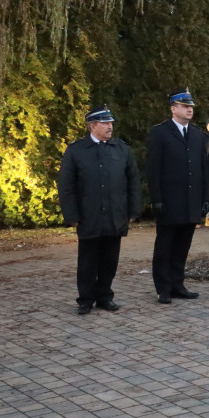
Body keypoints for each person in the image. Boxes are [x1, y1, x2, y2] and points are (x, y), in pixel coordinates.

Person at [58, 106, 141, 315]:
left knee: (110, 260)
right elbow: (66, 185)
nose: (110, 126)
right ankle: (86, 299)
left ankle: (105, 296)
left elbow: (133, 182)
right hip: (89, 215)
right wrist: (72, 215)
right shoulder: (76, 150)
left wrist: (133, 211)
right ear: (92, 126)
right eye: (105, 123)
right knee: (87, 261)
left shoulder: (121, 149)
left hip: (115, 214)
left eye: (111, 122)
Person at [146, 89, 207, 304]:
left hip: (191, 200)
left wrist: (205, 198)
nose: (190, 109)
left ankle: (177, 284)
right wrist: (156, 198)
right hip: (170, 201)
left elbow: (203, 168)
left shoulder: (198, 135)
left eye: (191, 106)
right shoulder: (160, 133)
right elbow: (153, 169)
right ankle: (163, 288)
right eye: (184, 106)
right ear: (173, 108)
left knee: (182, 246)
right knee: (165, 246)